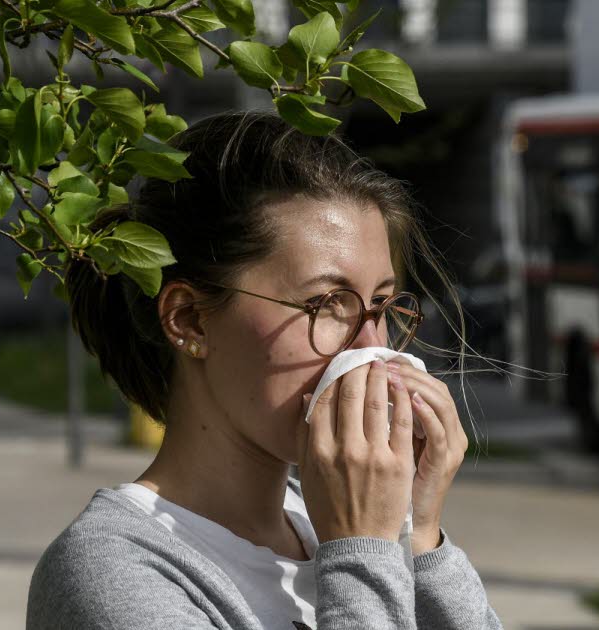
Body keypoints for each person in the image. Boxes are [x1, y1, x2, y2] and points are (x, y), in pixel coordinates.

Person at [26, 110, 503, 629]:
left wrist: (417, 537)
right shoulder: (111, 571)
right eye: (325, 304)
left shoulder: (338, 527)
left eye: (382, 306)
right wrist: (362, 549)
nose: (370, 349)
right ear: (190, 321)